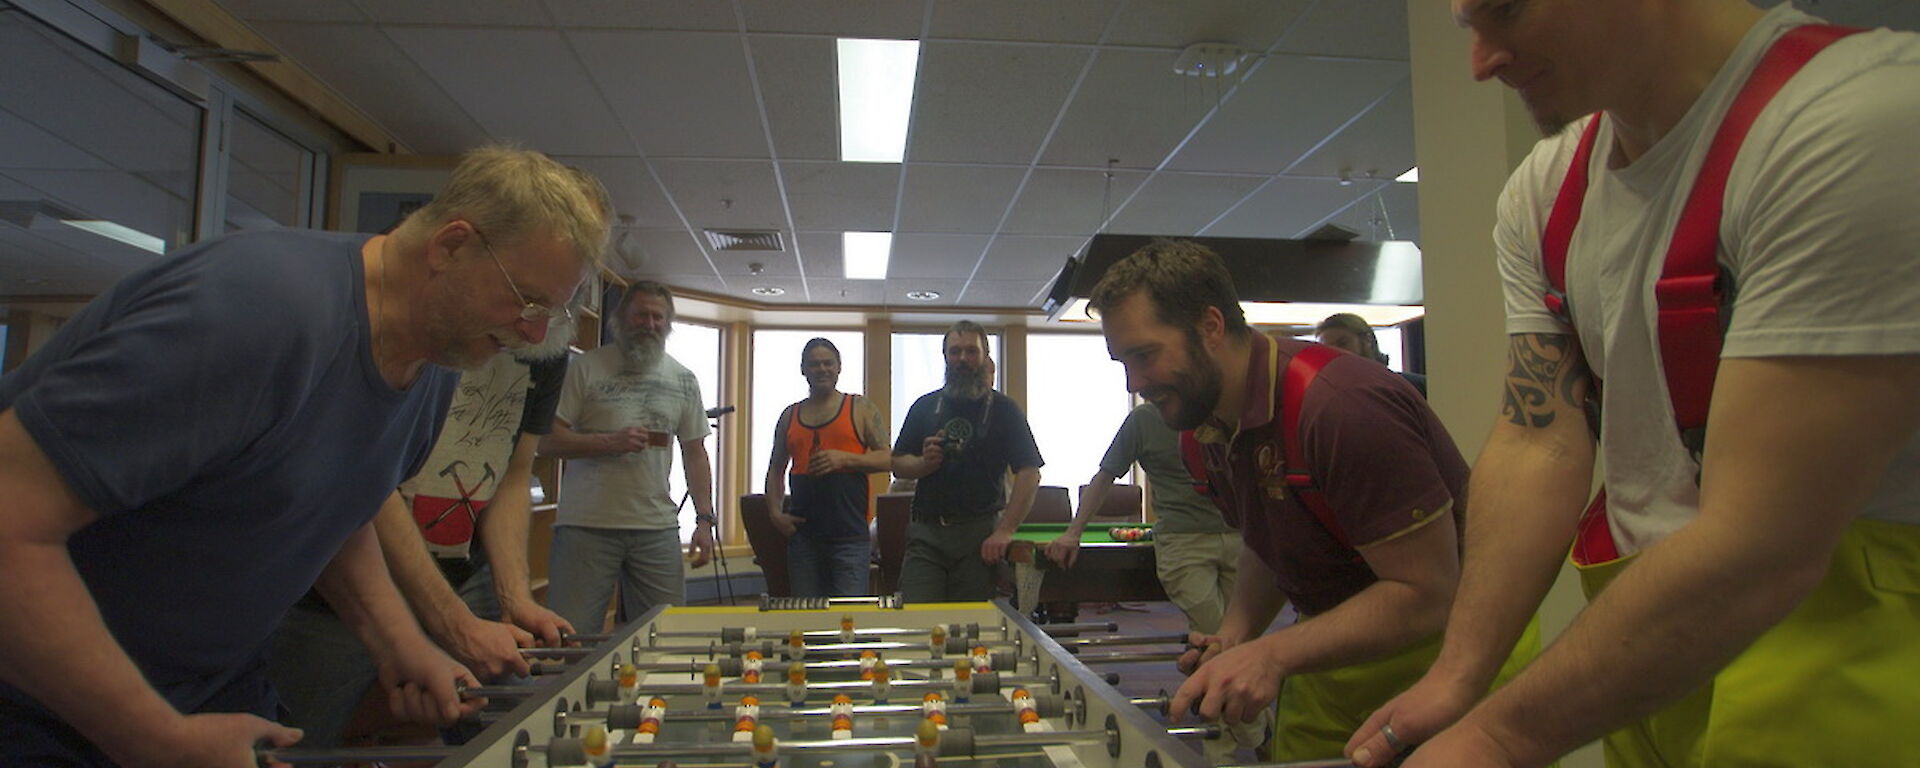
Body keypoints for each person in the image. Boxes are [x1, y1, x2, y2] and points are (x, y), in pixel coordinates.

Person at [1342, 3, 1920, 767]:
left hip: (1845, 648)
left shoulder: (1856, 123)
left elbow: (1764, 545)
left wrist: (1499, 735)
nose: (1481, 61)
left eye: (1505, 11)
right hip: (1653, 644)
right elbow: (1537, 437)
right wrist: (1457, 676)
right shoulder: (1546, 193)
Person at [0, 145, 611, 767]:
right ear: (451, 246)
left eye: (550, 312)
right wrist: (153, 736)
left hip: (212, 688)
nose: (534, 333)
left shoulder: (435, 358)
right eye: (526, 300)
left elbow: (335, 502)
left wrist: (396, 641)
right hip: (49, 705)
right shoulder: (258, 309)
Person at [1092, 239, 1538, 762]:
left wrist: (1274, 653)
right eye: (1123, 361)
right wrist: (1237, 636)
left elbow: (1428, 594)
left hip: (1453, 657)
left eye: (1145, 356)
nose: (1136, 382)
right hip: (1331, 658)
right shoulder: (1200, 430)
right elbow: (1270, 537)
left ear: (1211, 327)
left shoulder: (1342, 409)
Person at [267, 320, 580, 747]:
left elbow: (513, 473)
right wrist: (452, 626)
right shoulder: (408, 325)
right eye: (529, 301)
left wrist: (515, 598)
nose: (539, 327)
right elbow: (368, 480)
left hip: (467, 572)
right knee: (295, 740)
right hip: (338, 587)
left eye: (559, 307)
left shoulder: (548, 344)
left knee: (504, 735)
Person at [540, 280, 717, 633]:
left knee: (666, 636)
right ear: (622, 318)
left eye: (657, 317)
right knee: (570, 640)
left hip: (656, 528)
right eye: (641, 315)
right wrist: (608, 443)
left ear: (667, 324)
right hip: (585, 527)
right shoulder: (586, 367)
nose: (649, 324)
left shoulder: (683, 379)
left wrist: (704, 520)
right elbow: (547, 441)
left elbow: (695, 454)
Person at [1045, 403, 1241, 635]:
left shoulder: (1227, 408)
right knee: (1217, 632)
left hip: (1239, 537)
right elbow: (1104, 477)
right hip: (1183, 540)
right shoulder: (1143, 419)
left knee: (1241, 633)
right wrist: (1073, 533)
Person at [891, 321, 1044, 603]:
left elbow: (1029, 473)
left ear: (986, 357)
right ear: (946, 357)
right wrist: (923, 464)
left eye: (971, 352)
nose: (963, 359)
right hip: (926, 533)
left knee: (968, 626)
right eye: (955, 352)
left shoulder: (1005, 409)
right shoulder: (924, 406)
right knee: (916, 619)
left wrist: (1005, 531)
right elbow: (898, 463)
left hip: (979, 536)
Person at [764, 338, 892, 597]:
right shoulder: (790, 415)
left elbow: (889, 458)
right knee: (808, 620)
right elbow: (775, 470)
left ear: (839, 367)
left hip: (851, 539)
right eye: (814, 364)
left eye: (827, 363)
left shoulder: (860, 408)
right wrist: (775, 514)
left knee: (848, 619)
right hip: (804, 541)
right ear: (803, 369)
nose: (821, 369)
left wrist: (845, 459)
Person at [1316, 313, 1426, 397]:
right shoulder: (1327, 397)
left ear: (1366, 340)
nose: (1336, 352)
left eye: (1343, 343)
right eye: (1328, 348)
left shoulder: (1413, 387)